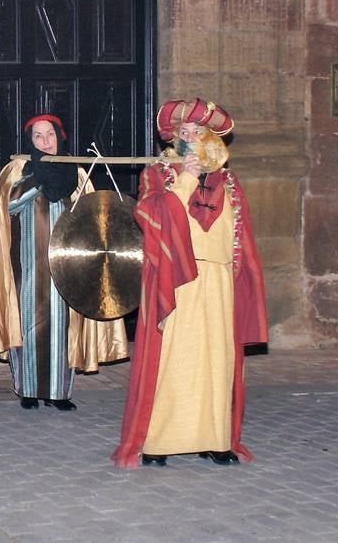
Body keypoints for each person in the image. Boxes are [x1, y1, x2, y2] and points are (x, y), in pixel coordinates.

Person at [112, 98, 268, 469]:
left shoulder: (229, 182)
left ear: (211, 138)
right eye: (184, 133)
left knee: (217, 360)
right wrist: (185, 179)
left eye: (199, 132)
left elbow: (241, 237)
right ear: (175, 139)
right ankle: (160, 441)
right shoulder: (158, 175)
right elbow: (149, 215)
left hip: (217, 280)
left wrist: (245, 283)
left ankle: (215, 440)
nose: (192, 138)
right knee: (175, 359)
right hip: (177, 279)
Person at [0, 114, 129, 409]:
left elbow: (92, 216)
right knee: (27, 323)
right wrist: (38, 180)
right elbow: (8, 206)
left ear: (59, 137)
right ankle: (27, 390)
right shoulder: (18, 170)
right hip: (27, 265)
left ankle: (59, 393)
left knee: (63, 327)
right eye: (38, 137)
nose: (44, 142)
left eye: (49, 135)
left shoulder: (77, 173)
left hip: (68, 267)